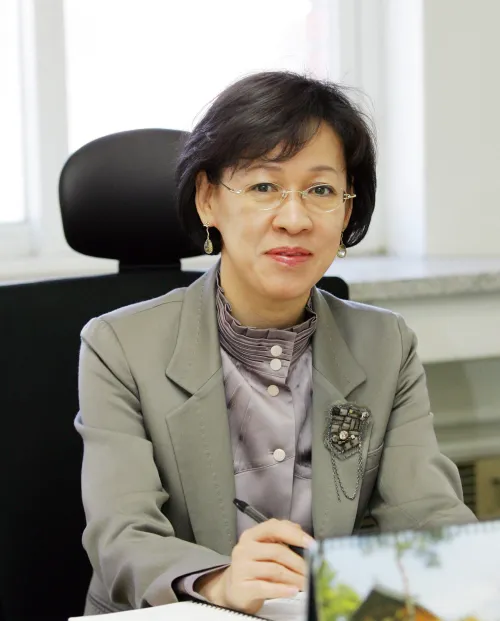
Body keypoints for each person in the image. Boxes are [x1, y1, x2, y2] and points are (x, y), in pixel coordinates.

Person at [75, 71, 475, 617]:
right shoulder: (118, 346)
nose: (294, 218)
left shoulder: (386, 344)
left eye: (321, 190)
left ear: (347, 211)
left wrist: (467, 571)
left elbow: (427, 516)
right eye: (264, 187)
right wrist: (219, 582)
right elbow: (122, 535)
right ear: (208, 200)